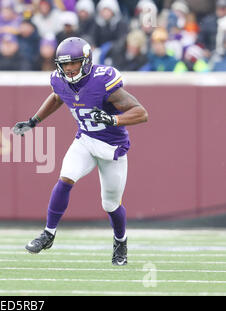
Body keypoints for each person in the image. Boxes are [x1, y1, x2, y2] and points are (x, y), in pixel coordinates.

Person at [12, 37, 148, 266]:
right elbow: (57, 97)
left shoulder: (102, 81)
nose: (69, 68)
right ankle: (48, 233)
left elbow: (142, 113)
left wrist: (112, 118)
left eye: (74, 63)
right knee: (66, 178)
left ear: (86, 61)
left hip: (112, 148)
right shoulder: (59, 80)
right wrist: (33, 121)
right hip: (85, 140)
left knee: (110, 204)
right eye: (64, 64)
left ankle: (120, 241)